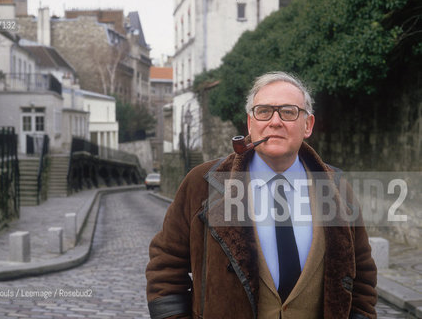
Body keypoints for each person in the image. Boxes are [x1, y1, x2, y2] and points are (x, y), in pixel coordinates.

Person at [146, 71, 377, 319]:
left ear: (308, 125)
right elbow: (165, 268)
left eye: (288, 112)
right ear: (250, 123)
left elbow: (361, 276)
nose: (275, 122)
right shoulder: (202, 185)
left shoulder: (337, 189)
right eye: (264, 111)